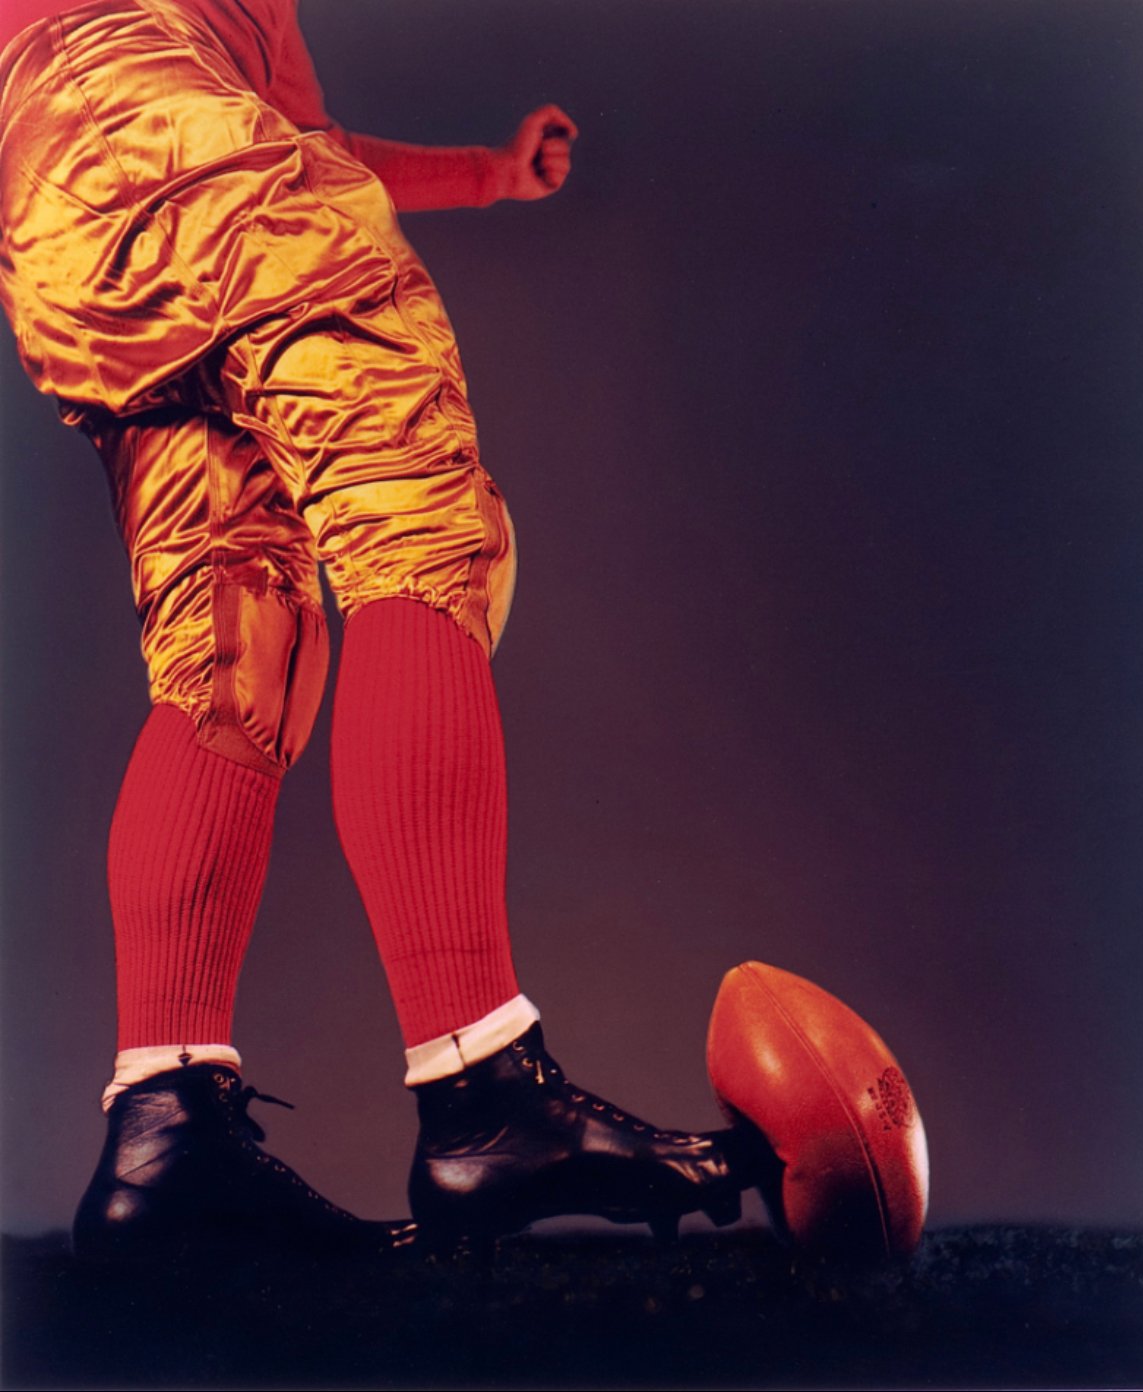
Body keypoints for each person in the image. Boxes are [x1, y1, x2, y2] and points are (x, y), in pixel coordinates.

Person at [0, 0, 750, 1261]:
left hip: (48, 218)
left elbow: (300, 143)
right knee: (412, 513)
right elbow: (268, 150)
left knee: (235, 649)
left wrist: (485, 177)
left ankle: (162, 1126)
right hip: (175, 137)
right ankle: (483, 1090)